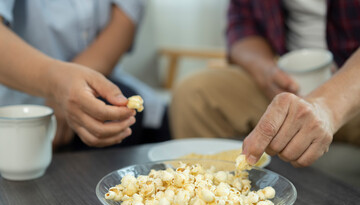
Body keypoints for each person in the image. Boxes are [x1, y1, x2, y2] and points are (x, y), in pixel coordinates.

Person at [170, 0, 360, 167]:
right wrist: (266, 72)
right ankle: (213, 199)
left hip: (351, 86)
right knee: (195, 94)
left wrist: (326, 106)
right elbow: (242, 25)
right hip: (289, 81)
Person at [0, 0, 169, 150]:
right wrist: (56, 83)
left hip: (106, 89)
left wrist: (67, 88)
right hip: (22, 107)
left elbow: (124, 22)